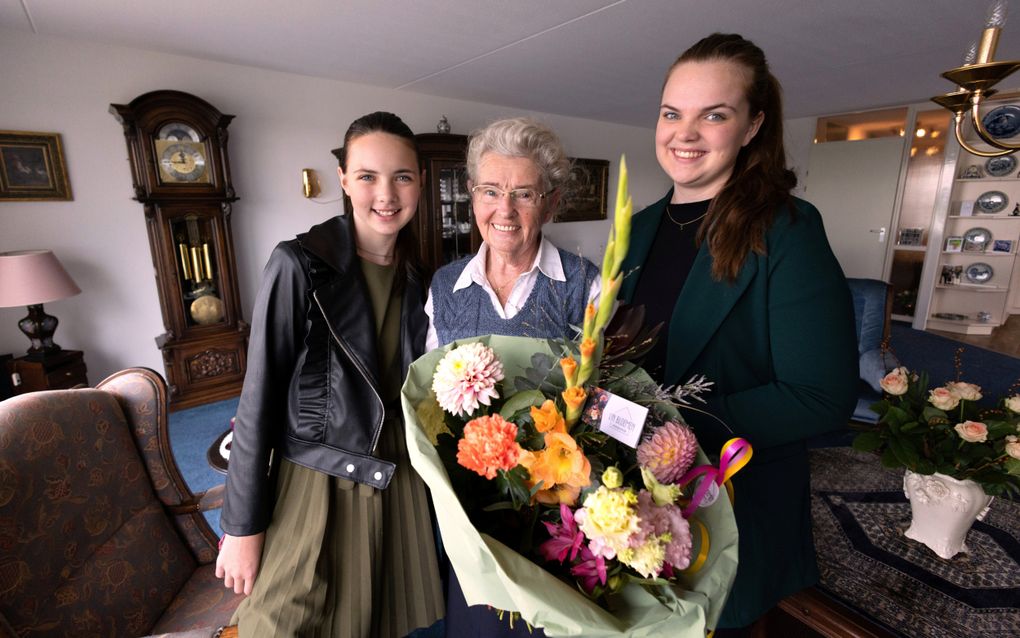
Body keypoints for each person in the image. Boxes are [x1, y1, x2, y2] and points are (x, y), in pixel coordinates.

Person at [618, 34, 858, 633]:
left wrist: (671, 432)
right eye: (672, 113)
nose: (685, 132)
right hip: (632, 497)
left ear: (752, 126)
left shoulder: (789, 230)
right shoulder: (640, 226)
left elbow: (822, 395)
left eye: (714, 115)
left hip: (734, 502)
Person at [216, 111, 444, 638]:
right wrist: (241, 526)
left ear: (420, 183)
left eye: (402, 177)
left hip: (396, 476)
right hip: (318, 477)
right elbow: (258, 400)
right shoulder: (298, 264)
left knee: (373, 617)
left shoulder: (422, 278)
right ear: (343, 180)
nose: (385, 194)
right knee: (280, 622)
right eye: (367, 176)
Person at [424, 117, 600, 636]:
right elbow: (432, 399)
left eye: (523, 193)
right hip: (471, 503)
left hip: (557, 504)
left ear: (551, 201)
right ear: (472, 196)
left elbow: (601, 397)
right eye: (490, 191)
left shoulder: (582, 285)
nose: (504, 210)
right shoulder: (445, 286)